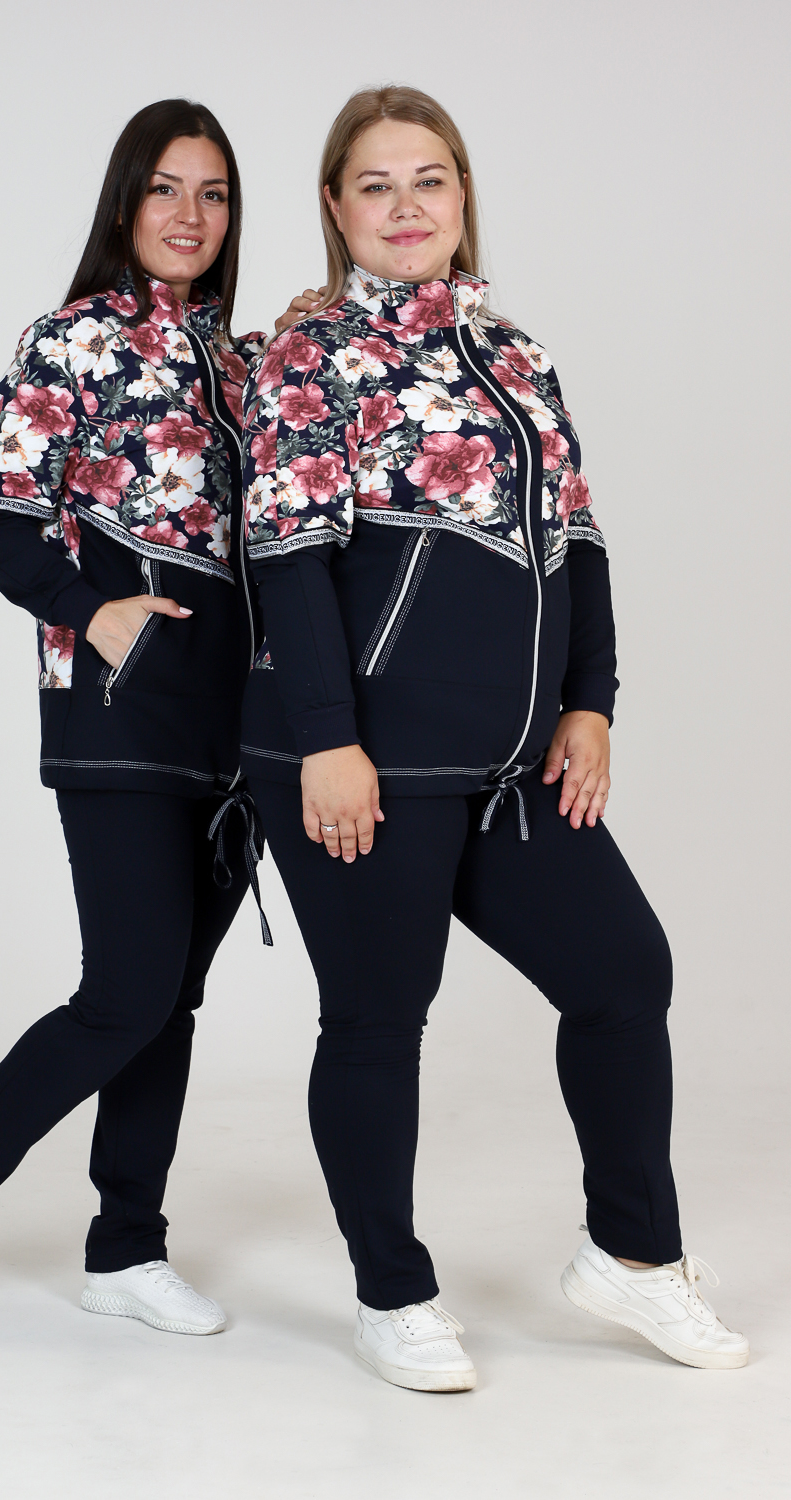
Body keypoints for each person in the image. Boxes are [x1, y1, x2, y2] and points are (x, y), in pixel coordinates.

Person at [242, 85, 748, 1390]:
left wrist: (592, 702)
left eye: (429, 179)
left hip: (511, 762)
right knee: (378, 1018)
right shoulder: (312, 356)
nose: (405, 205)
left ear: (462, 195)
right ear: (336, 207)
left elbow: (578, 539)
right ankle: (392, 1292)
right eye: (375, 184)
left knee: (622, 974)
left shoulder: (516, 353)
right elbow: (287, 556)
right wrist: (327, 739)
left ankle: (631, 1257)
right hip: (366, 759)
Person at [0, 99, 274, 1334]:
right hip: (119, 711)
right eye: (164, 187)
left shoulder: (242, 364)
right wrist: (92, 613)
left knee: (171, 997)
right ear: (124, 201)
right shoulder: (74, 339)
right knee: (129, 989)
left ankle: (125, 1247)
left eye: (212, 193)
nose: (189, 214)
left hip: (234, 729)